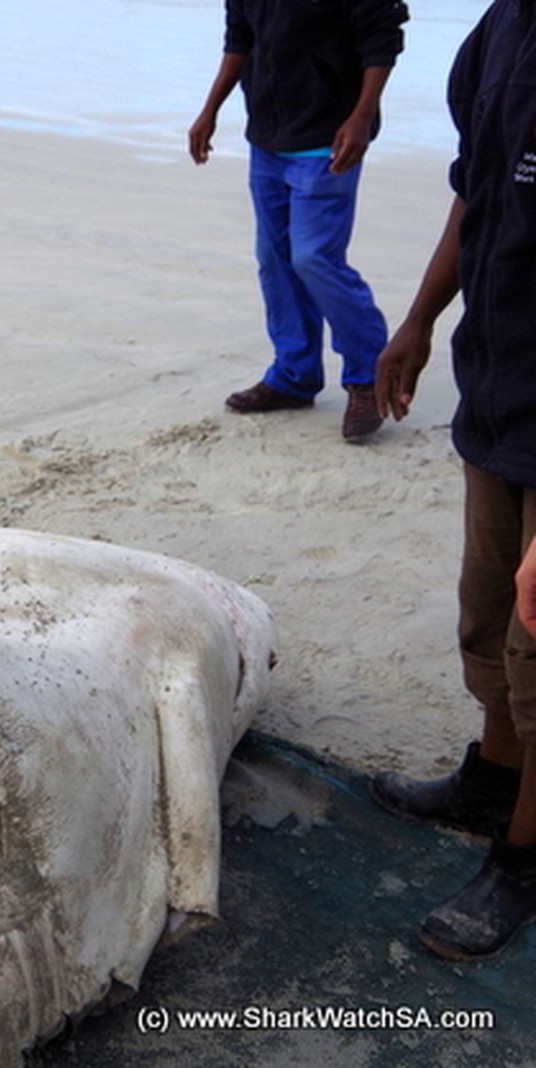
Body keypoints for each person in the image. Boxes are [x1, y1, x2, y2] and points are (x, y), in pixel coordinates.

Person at [367, 0, 536, 959]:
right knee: (486, 611)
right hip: (502, 384)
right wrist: (422, 318)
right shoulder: (501, 27)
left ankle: (523, 857)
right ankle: (493, 780)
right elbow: (475, 192)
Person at [188, 0, 408, 442]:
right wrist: (210, 109)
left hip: (328, 140)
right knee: (274, 260)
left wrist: (362, 116)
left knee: (313, 258)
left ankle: (367, 376)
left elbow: (383, 35)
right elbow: (240, 38)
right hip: (267, 138)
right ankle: (294, 376)